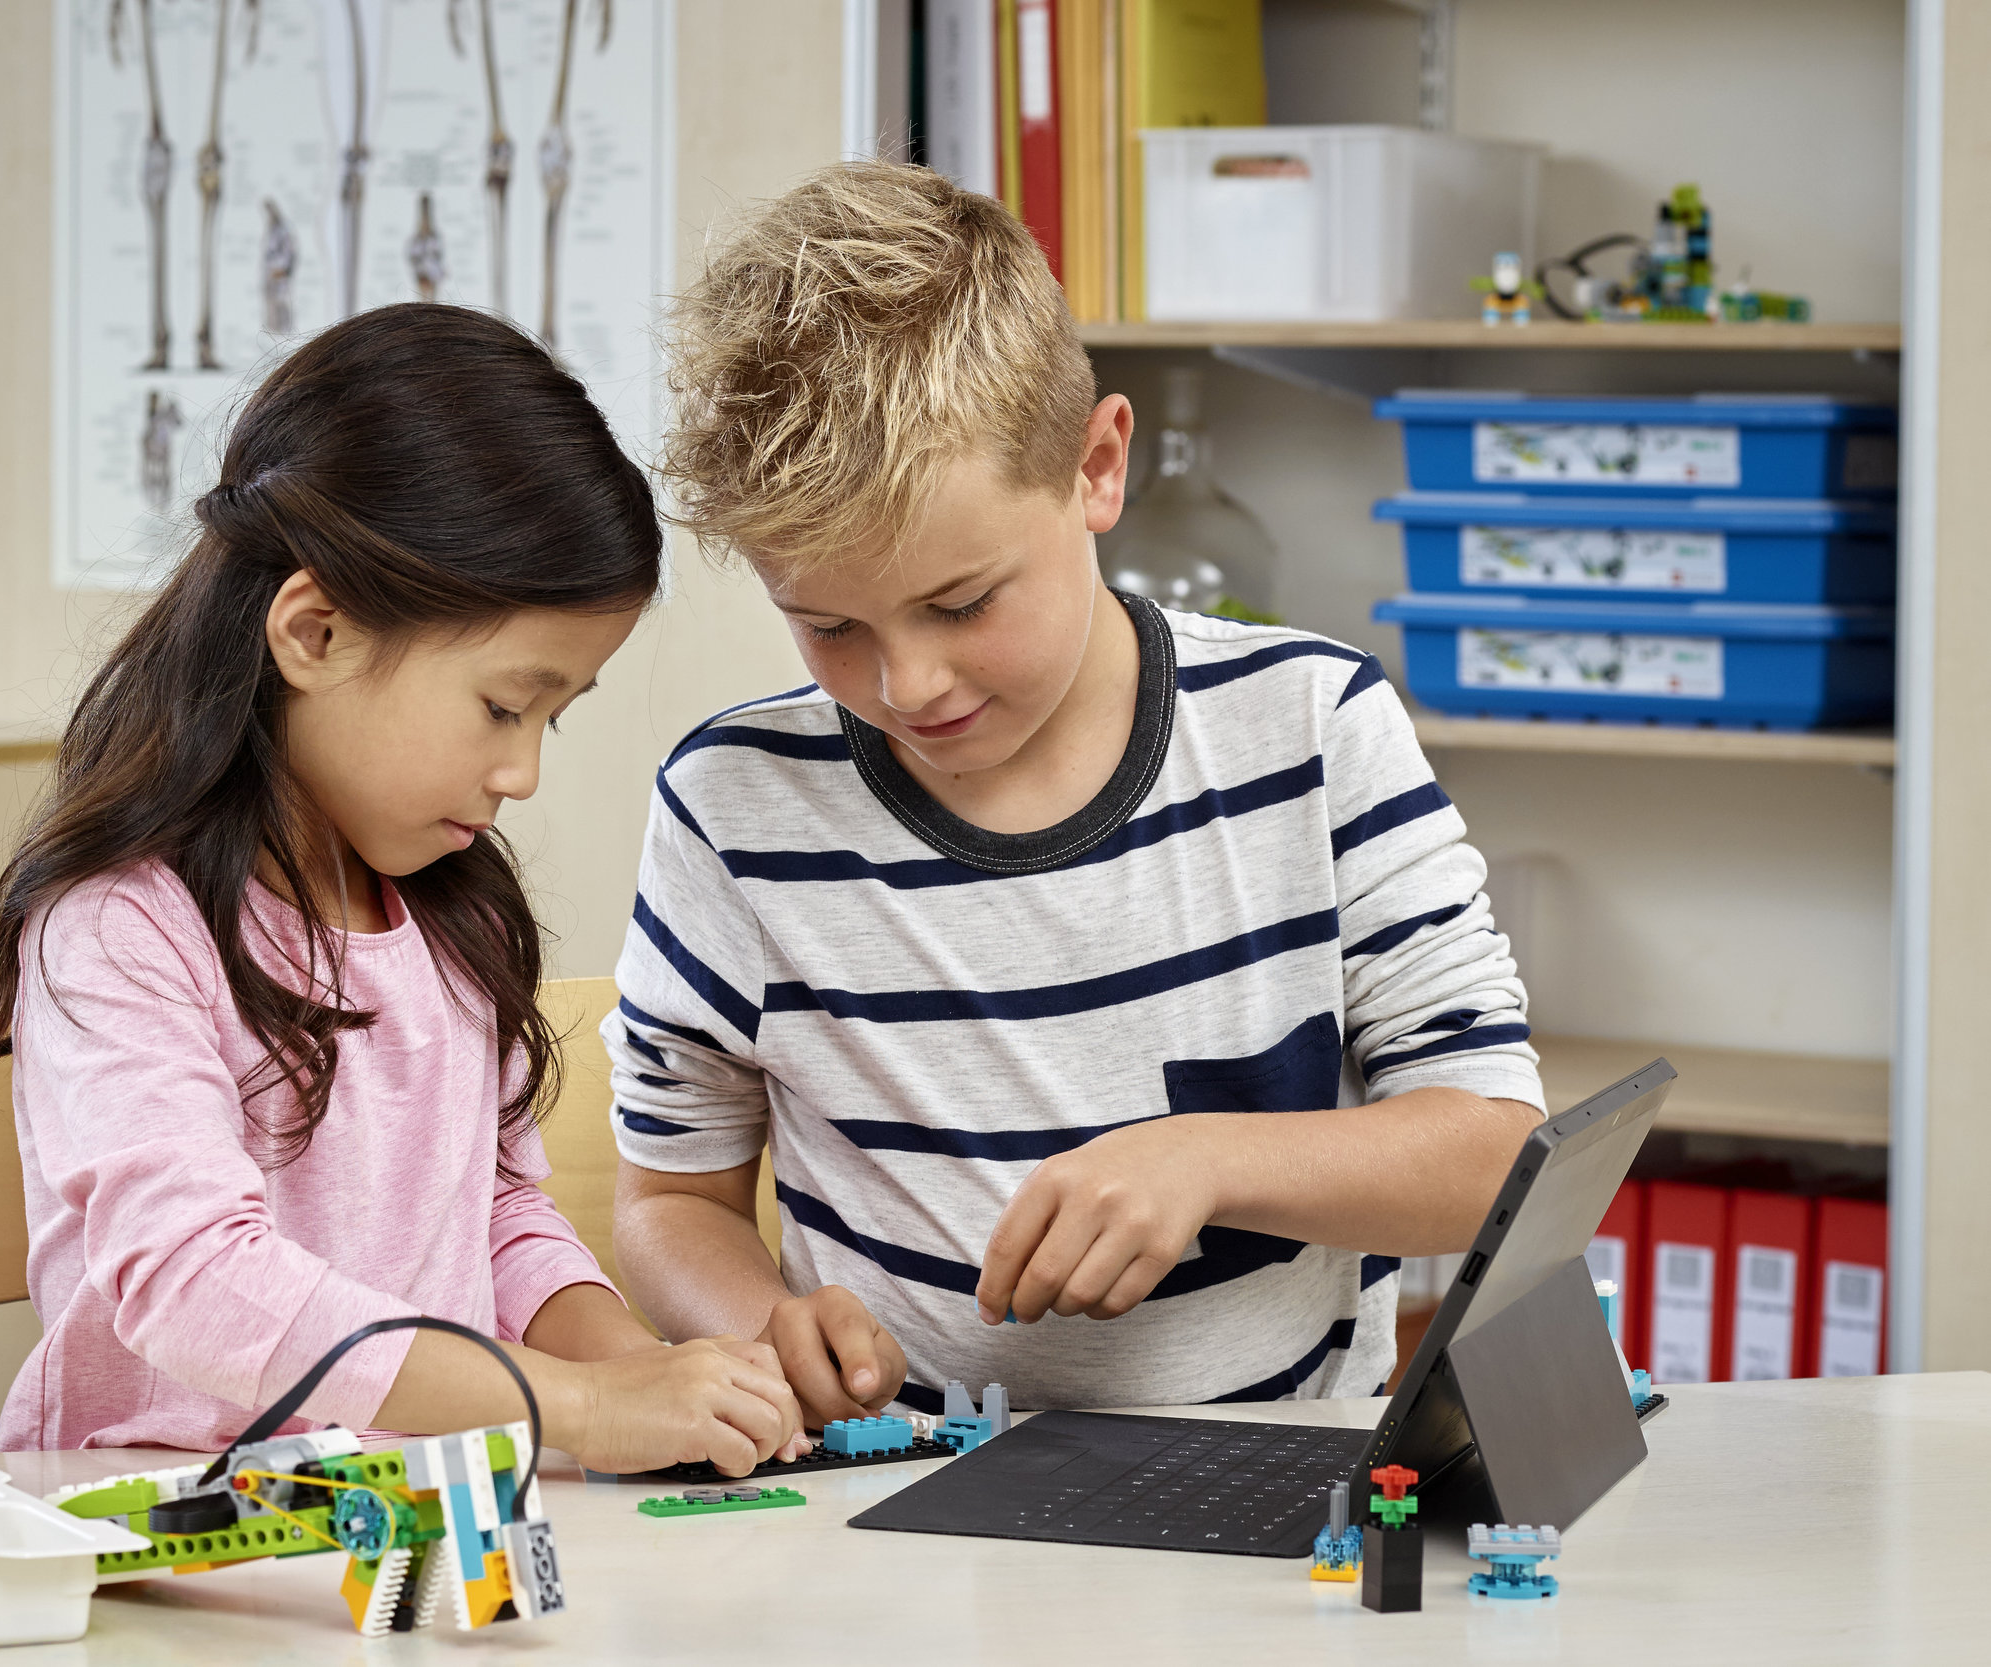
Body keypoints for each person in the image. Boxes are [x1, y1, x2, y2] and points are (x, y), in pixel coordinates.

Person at [609, 163, 1545, 1426]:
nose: (907, 683)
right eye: (827, 625)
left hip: (1280, 1482)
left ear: (1098, 468)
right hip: (900, 1492)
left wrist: (1210, 1160)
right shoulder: (735, 807)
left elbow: (1492, 1154)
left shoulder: (1310, 729)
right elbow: (671, 1203)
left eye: (960, 603)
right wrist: (762, 1322)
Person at [0, 305, 802, 1475]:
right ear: (315, 630)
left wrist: (632, 1371)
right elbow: (192, 1279)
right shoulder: (122, 929)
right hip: (167, 1522)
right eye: (503, 704)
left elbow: (498, 1217)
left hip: (417, 1512)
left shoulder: (453, 912)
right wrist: (579, 1411)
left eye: (554, 714)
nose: (523, 771)